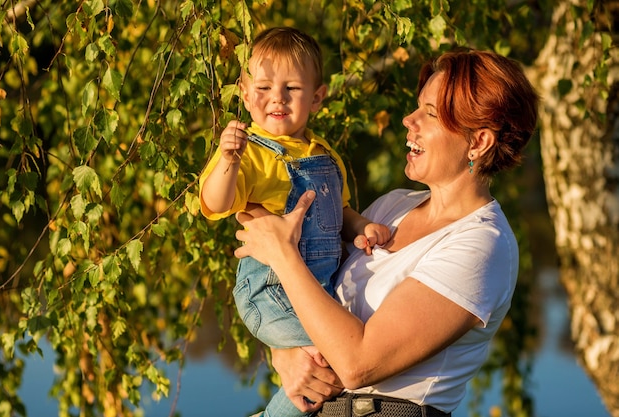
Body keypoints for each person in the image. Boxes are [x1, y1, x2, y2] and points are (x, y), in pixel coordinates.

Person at [233, 47, 540, 417]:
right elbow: (313, 301)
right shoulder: (392, 207)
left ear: (478, 142)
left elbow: (356, 364)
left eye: (429, 113)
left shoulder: (482, 246)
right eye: (417, 107)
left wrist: (282, 255)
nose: (408, 120)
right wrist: (284, 352)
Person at [198, 27, 391, 417]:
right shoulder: (249, 154)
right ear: (246, 94)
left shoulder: (325, 155)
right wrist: (227, 161)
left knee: (329, 368)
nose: (278, 98)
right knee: (337, 355)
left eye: (293, 88)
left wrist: (361, 228)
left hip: (314, 292)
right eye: (264, 87)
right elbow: (214, 202)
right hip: (267, 292)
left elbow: (342, 213)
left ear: (317, 97)